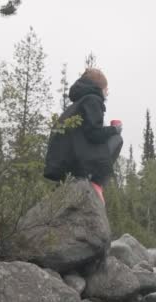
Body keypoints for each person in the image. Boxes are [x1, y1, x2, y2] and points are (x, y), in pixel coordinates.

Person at [44, 68, 123, 203]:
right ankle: (96, 183)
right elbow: (94, 134)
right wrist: (114, 129)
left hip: (62, 165)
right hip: (77, 164)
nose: (107, 92)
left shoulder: (76, 106)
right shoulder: (93, 100)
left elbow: (86, 134)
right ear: (100, 88)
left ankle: (85, 182)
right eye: (106, 88)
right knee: (117, 139)